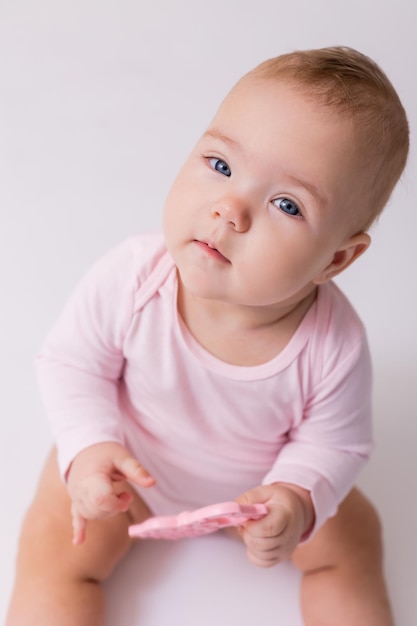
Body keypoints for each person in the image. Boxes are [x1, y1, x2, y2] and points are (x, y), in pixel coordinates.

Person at [6, 46, 409, 626]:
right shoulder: (132, 278)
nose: (230, 210)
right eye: (220, 165)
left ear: (337, 258)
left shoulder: (333, 345)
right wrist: (91, 448)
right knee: (55, 540)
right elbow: (73, 362)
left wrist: (294, 500)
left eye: (286, 204)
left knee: (355, 537)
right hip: (129, 472)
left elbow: (336, 444)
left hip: (259, 498)